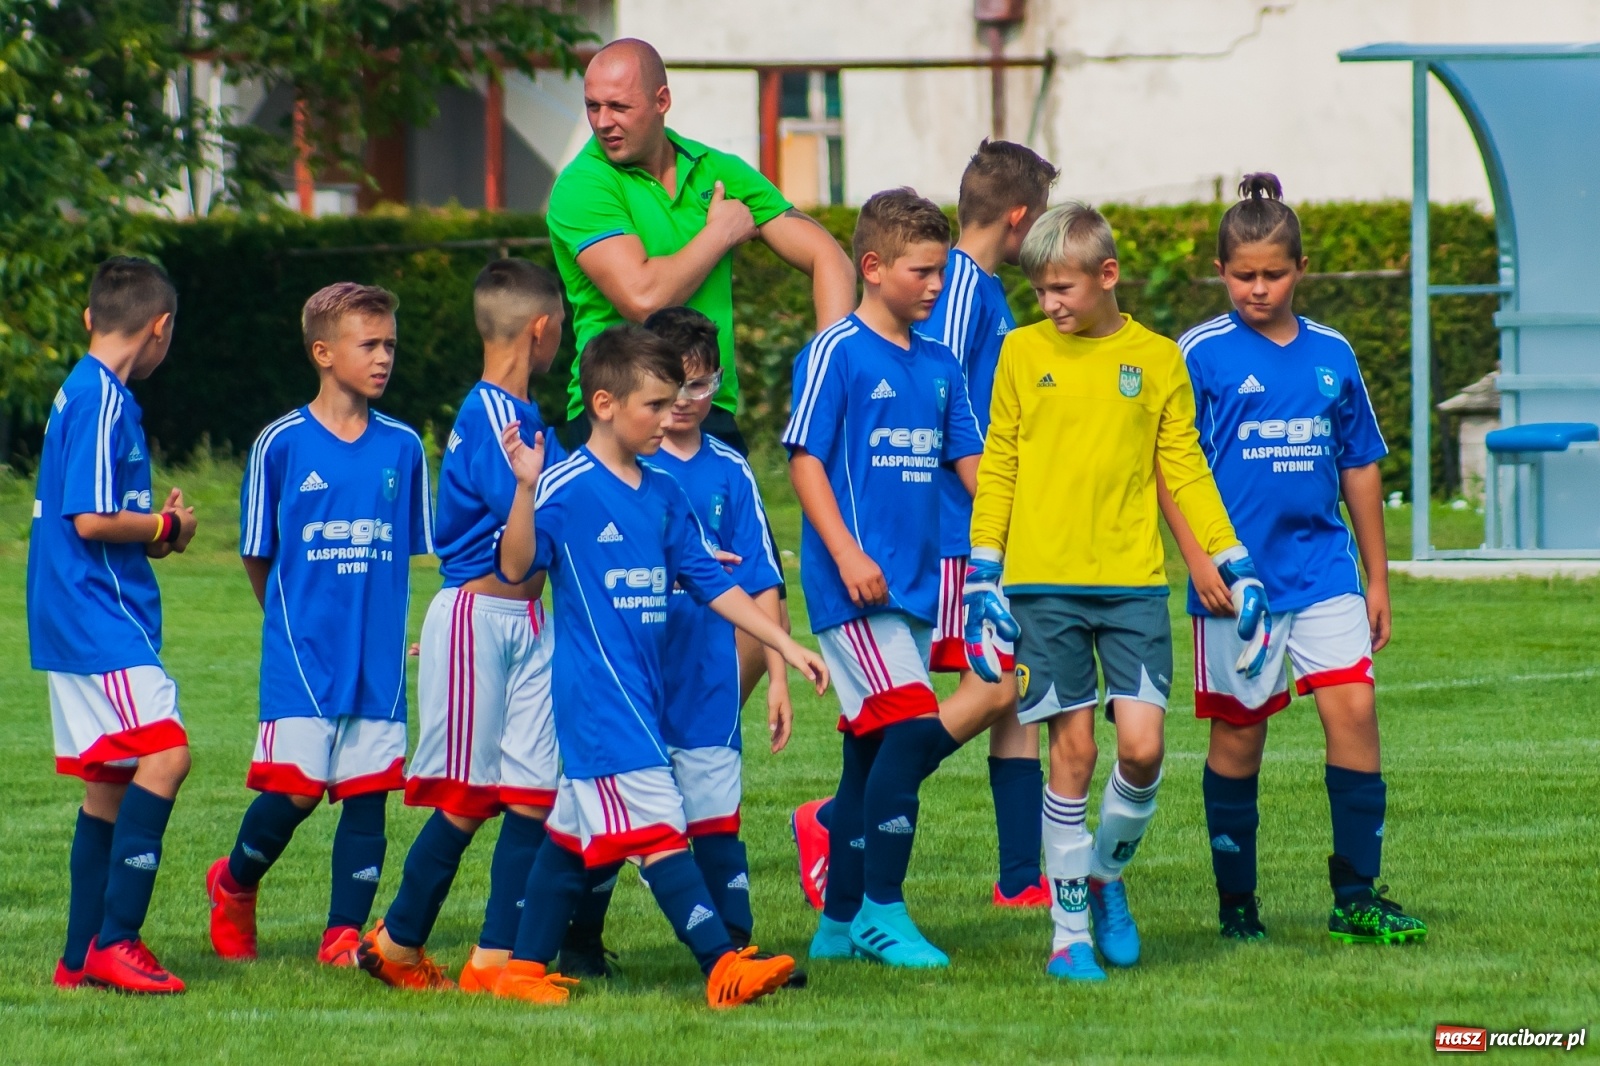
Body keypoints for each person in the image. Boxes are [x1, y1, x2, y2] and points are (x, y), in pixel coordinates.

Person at [964, 203, 1271, 982]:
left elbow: (1186, 467)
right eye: (1039, 290)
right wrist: (982, 569)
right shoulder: (1018, 352)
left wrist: (1231, 557)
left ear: (1108, 275)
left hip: (1133, 584)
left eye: (1063, 287)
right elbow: (999, 462)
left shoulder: (1160, 359)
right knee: (1073, 750)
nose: (1051, 304)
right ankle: (1068, 933)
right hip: (1041, 586)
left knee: (1142, 748)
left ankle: (1103, 873)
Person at [487, 325, 830, 1009]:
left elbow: (711, 580)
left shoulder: (666, 492)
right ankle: (721, 964)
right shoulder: (565, 485)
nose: (666, 416)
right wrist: (524, 492)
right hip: (598, 698)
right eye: (653, 405)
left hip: (644, 693)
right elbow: (516, 566)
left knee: (572, 833)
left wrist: (782, 644)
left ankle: (522, 970)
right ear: (606, 404)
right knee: (656, 826)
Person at [1163, 174, 1427, 945]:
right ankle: (1237, 904)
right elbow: (1170, 464)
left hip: (1323, 572)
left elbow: (1360, 465)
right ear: (1221, 272)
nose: (1258, 287)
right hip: (1236, 586)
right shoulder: (1200, 354)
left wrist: (1378, 577)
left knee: (1355, 709)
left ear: (1300, 269)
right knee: (1241, 737)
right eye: (1243, 274)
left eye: (1273, 273)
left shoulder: (1332, 354)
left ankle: (1356, 895)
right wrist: (1200, 560)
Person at [783, 189, 987, 969]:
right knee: (908, 724)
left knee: (868, 753)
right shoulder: (837, 350)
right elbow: (805, 461)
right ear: (872, 268)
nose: (936, 286)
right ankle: (882, 909)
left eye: (941, 272)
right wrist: (846, 554)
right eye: (923, 271)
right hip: (855, 590)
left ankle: (836, 926)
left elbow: (970, 466)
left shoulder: (938, 365)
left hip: (916, 589)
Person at [356, 260, 570, 992]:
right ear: (541, 330)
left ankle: (496, 959)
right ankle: (397, 944)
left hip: (532, 620)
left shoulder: (529, 418)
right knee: (469, 796)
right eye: (562, 329)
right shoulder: (487, 417)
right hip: (479, 616)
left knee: (535, 791)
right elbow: (527, 538)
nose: (562, 342)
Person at [206, 283, 433, 967]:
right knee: (295, 790)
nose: (384, 356)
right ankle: (235, 884)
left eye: (390, 343)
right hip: (302, 654)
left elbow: (413, 553)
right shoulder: (280, 445)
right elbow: (257, 554)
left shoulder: (403, 448)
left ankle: (342, 933)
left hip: (377, 656)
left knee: (368, 794)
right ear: (324, 353)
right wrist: (287, 621)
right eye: (370, 344)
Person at [546, 37, 855, 455]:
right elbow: (643, 297)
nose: (602, 121)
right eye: (592, 106)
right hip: (618, 418)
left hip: (708, 411)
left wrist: (830, 383)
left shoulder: (718, 172)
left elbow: (829, 258)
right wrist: (720, 234)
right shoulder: (583, 184)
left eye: (619, 107)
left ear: (662, 100)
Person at [27, 256, 197, 993]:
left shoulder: (84, 391)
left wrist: (155, 533)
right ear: (160, 329)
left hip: (73, 611)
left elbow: (95, 512)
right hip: (95, 617)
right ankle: (117, 940)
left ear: (92, 316)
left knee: (110, 783)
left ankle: (77, 955)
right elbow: (91, 517)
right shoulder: (102, 398)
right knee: (166, 755)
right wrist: (164, 519)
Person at [646, 306, 790, 952]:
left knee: (715, 819)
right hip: (635, 675)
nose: (685, 401)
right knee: (608, 823)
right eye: (673, 386)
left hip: (708, 675)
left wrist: (779, 677)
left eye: (700, 386)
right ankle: (577, 944)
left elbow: (764, 582)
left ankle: (735, 947)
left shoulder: (730, 472)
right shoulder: (622, 467)